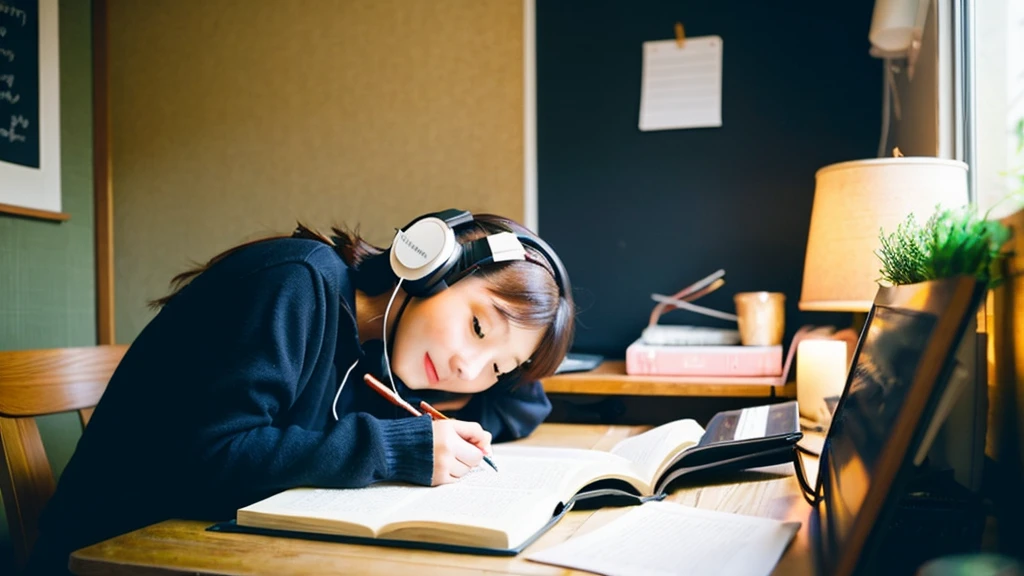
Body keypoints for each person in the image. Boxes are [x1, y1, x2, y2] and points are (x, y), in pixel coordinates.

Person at [27, 209, 574, 575]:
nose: (466, 365)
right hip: (115, 552)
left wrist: (525, 348)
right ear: (429, 265)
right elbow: (208, 457)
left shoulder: (380, 353)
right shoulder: (296, 282)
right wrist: (395, 448)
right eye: (478, 327)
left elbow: (522, 403)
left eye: (497, 367)